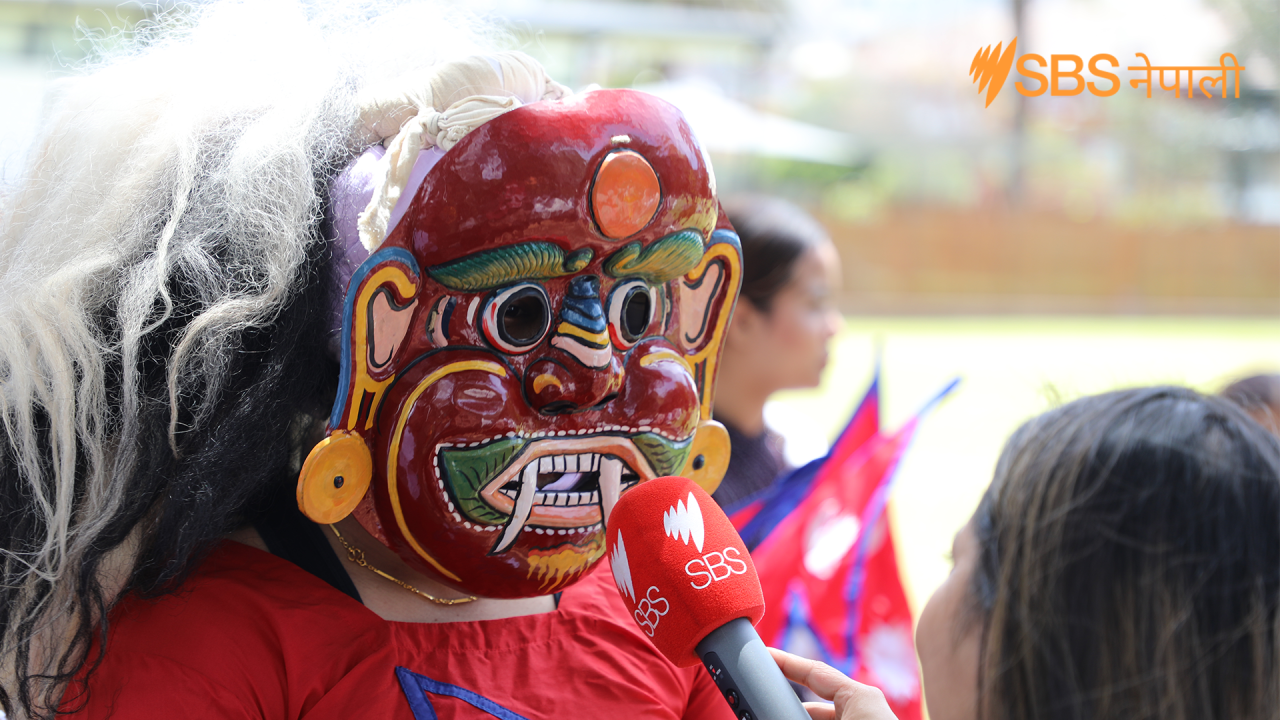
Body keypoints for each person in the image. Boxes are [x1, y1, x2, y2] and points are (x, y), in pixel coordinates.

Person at [0, 4, 744, 718]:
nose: (593, 374)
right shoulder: (211, 640)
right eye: (518, 316)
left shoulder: (664, 611)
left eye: (637, 310)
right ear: (375, 330)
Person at [710, 196, 843, 509]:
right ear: (741, 321)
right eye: (815, 304)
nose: (836, 327)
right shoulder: (682, 486)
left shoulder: (798, 447)